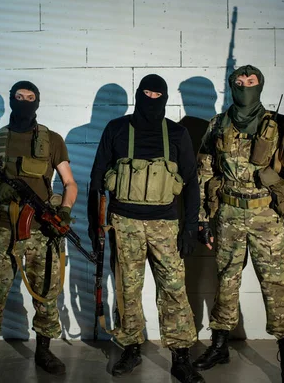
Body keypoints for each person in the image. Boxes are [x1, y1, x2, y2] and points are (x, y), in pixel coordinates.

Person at [193, 65, 284, 383]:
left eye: (251, 82)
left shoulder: (277, 123)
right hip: (229, 215)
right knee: (226, 283)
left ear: (260, 86)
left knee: (275, 287)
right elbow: (205, 172)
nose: (245, 87)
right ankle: (220, 345)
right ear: (231, 86)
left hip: (266, 218)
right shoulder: (218, 124)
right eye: (239, 82)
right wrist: (203, 220)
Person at [88, 74, 205, 383]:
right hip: (123, 224)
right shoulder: (116, 129)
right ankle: (130, 348)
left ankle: (181, 357)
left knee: (174, 290)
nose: (152, 99)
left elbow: (192, 182)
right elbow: (97, 178)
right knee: (128, 290)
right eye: (147, 92)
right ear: (138, 94)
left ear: (165, 97)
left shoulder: (178, 134)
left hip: (166, 225)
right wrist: (94, 225)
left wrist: (190, 228)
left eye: (158, 94)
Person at [0, 81, 78, 382]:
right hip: (3, 229)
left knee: (45, 295)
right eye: (19, 97)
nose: (25, 102)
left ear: (38, 102)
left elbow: (70, 183)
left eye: (30, 98)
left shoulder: (51, 140)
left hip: (41, 231)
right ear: (11, 102)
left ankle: (43, 351)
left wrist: (64, 212)